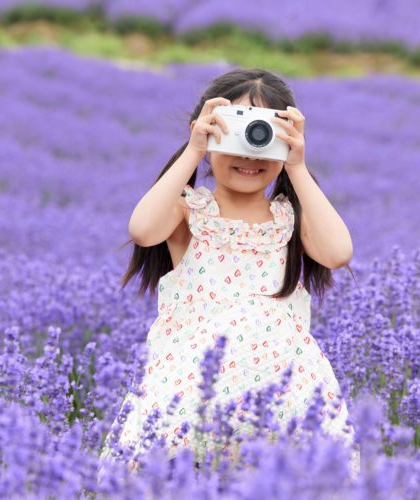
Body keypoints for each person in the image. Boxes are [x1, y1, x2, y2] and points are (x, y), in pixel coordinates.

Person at [97, 68, 361, 480]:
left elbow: (338, 252)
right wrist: (192, 149)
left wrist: (297, 167)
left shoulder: (290, 220)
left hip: (283, 399)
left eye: (265, 133)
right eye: (236, 130)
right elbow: (142, 229)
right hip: (193, 400)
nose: (250, 150)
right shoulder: (191, 212)